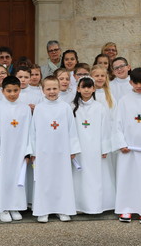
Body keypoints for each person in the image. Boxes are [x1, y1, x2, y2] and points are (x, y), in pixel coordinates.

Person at [31, 76, 81, 223]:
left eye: (54, 88)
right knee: (44, 179)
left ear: (59, 88)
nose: (52, 92)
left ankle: (63, 209)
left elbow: (72, 129)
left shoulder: (65, 107)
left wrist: (73, 149)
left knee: (62, 179)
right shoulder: (39, 108)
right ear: (42, 90)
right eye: (48, 89)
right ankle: (43, 210)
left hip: (62, 150)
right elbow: (33, 131)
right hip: (43, 151)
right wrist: (33, 151)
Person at [0, 76, 32, 222]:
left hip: (19, 151)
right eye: (9, 91)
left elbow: (30, 131)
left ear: (20, 90)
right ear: (3, 91)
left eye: (15, 90)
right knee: (2, 178)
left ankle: (15, 206)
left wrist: (28, 151)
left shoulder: (25, 109)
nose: (12, 94)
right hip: (2, 151)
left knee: (17, 177)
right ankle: (3, 207)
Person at [71, 77, 110, 214]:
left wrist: (104, 148)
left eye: (89, 87)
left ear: (94, 89)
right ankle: (78, 205)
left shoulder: (99, 107)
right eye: (83, 87)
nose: (86, 90)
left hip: (95, 148)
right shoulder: (72, 107)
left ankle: (94, 206)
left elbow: (105, 129)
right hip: (79, 148)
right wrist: (72, 147)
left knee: (94, 177)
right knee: (78, 177)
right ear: (78, 88)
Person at [112, 68, 141, 223]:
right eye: (135, 82)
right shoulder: (124, 100)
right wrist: (121, 143)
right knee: (127, 179)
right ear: (130, 82)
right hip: (128, 148)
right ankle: (125, 209)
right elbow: (117, 124)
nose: (139, 85)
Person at [90, 65, 117, 211]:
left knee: (106, 169)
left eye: (102, 76)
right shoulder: (88, 95)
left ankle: (106, 202)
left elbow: (114, 117)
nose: (100, 78)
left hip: (106, 137)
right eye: (97, 76)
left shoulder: (110, 95)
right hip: (91, 137)